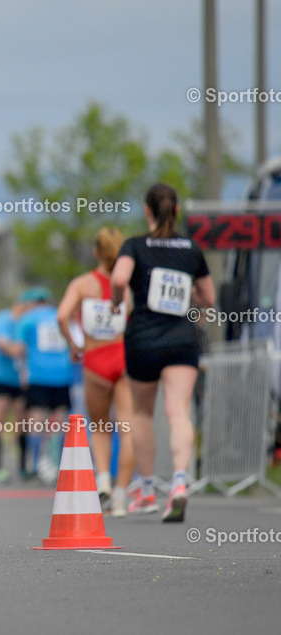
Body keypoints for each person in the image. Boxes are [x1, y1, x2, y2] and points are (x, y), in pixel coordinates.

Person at [110, 184, 214, 523]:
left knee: (141, 413)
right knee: (178, 412)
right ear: (178, 210)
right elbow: (209, 298)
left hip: (142, 338)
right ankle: (181, 483)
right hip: (182, 338)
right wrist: (189, 298)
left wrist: (116, 302)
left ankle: (147, 490)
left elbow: (119, 278)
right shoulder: (190, 248)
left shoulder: (135, 245)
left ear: (147, 211)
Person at [57, 227, 135, 517]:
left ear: (95, 252)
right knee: (127, 428)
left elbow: (62, 315)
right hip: (123, 357)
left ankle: (102, 479)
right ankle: (121, 495)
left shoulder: (82, 284)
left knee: (100, 426)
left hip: (95, 359)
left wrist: (73, 344)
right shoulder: (129, 285)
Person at [12, 287, 74, 484]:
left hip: (38, 375)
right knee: (59, 420)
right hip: (62, 375)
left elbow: (20, 349)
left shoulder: (28, 319)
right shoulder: (61, 316)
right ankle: (57, 462)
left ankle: (36, 463)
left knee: (36, 420)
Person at [0, 302, 27, 483]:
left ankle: (23, 466)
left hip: (20, 379)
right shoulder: (3, 318)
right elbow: (1, 343)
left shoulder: (26, 321)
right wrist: (19, 350)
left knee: (22, 422)